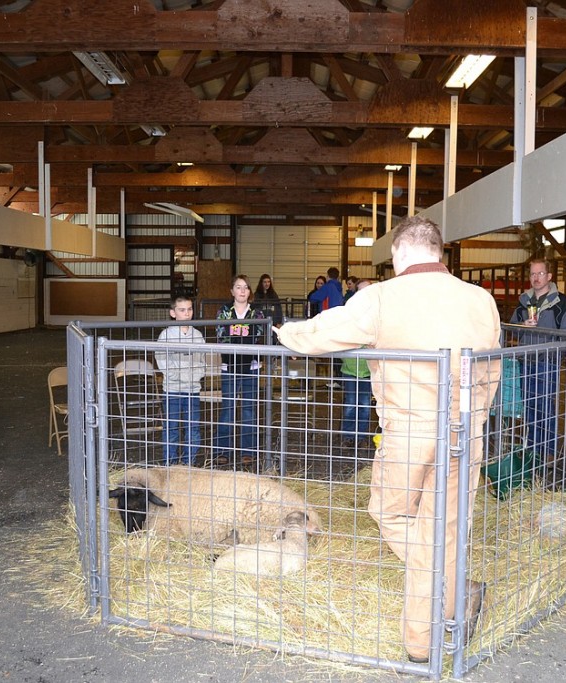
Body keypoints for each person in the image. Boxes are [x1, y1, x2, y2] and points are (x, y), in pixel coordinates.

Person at [276, 216, 501, 663]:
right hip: (467, 427)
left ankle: (426, 634)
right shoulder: (481, 300)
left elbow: (326, 331)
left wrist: (285, 332)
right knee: (448, 523)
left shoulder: (381, 296)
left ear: (399, 253)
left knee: (390, 511)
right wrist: (475, 415)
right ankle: (450, 609)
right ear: (439, 251)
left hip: (412, 429)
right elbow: (492, 368)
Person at [509, 257, 566, 470]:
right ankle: (532, 448)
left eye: (540, 273)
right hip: (527, 361)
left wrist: (557, 355)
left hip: (547, 363)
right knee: (530, 406)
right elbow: (511, 327)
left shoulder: (561, 303)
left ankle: (548, 452)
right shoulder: (524, 302)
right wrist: (523, 325)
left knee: (546, 407)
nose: (536, 278)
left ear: (549, 276)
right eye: (532, 274)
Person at [213, 275, 267, 468]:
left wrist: (235, 333)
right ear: (232, 291)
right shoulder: (224, 312)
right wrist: (244, 334)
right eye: (238, 287)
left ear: (249, 291)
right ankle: (222, 451)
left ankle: (248, 451)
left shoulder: (257, 313)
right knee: (227, 410)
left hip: (251, 368)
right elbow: (221, 336)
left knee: (248, 410)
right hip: (229, 367)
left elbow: (258, 336)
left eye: (245, 287)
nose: (242, 291)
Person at [154, 295, 207, 466]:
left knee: (193, 429)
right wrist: (177, 376)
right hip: (172, 390)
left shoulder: (197, 335)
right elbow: (162, 359)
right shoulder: (166, 335)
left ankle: (188, 464)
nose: (186, 313)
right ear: (173, 313)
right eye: (182, 310)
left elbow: (201, 360)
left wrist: (194, 377)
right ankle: (169, 464)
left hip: (192, 389)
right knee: (172, 429)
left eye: (189, 309)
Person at [339, 279, 373, 447]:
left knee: (365, 405)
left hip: (368, 369)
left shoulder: (377, 315)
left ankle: (360, 437)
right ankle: (348, 435)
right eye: (360, 290)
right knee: (351, 403)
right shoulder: (348, 314)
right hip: (351, 368)